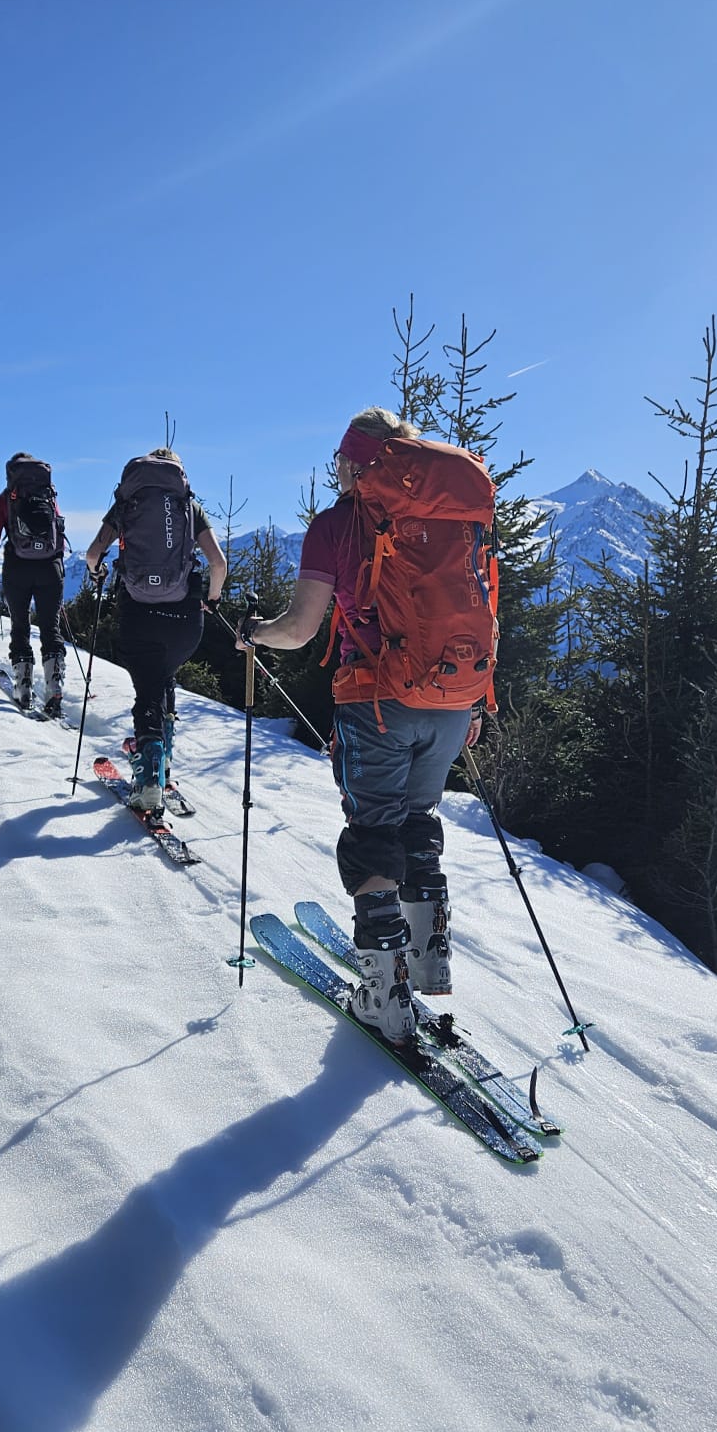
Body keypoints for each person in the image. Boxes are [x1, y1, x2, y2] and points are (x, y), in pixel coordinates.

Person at [241, 407, 496, 1044]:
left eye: (340, 462)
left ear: (355, 464)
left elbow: (300, 629)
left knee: (373, 833)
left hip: (377, 700)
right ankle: (428, 962)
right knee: (418, 818)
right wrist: (470, 702)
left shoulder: (336, 525)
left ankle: (384, 996)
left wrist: (256, 634)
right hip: (453, 697)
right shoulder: (454, 518)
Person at [81, 448, 226, 813]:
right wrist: (212, 598)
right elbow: (218, 564)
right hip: (184, 619)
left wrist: (98, 573)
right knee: (164, 678)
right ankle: (163, 762)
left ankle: (148, 780)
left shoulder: (127, 504)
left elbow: (93, 554)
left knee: (148, 692)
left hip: (138, 613)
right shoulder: (189, 508)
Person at [0, 452, 68, 717]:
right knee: (51, 627)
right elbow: (58, 534)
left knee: (20, 625)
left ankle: (24, 687)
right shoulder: (49, 496)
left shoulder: (6, 498)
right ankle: (55, 688)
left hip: (17, 568)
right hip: (50, 568)